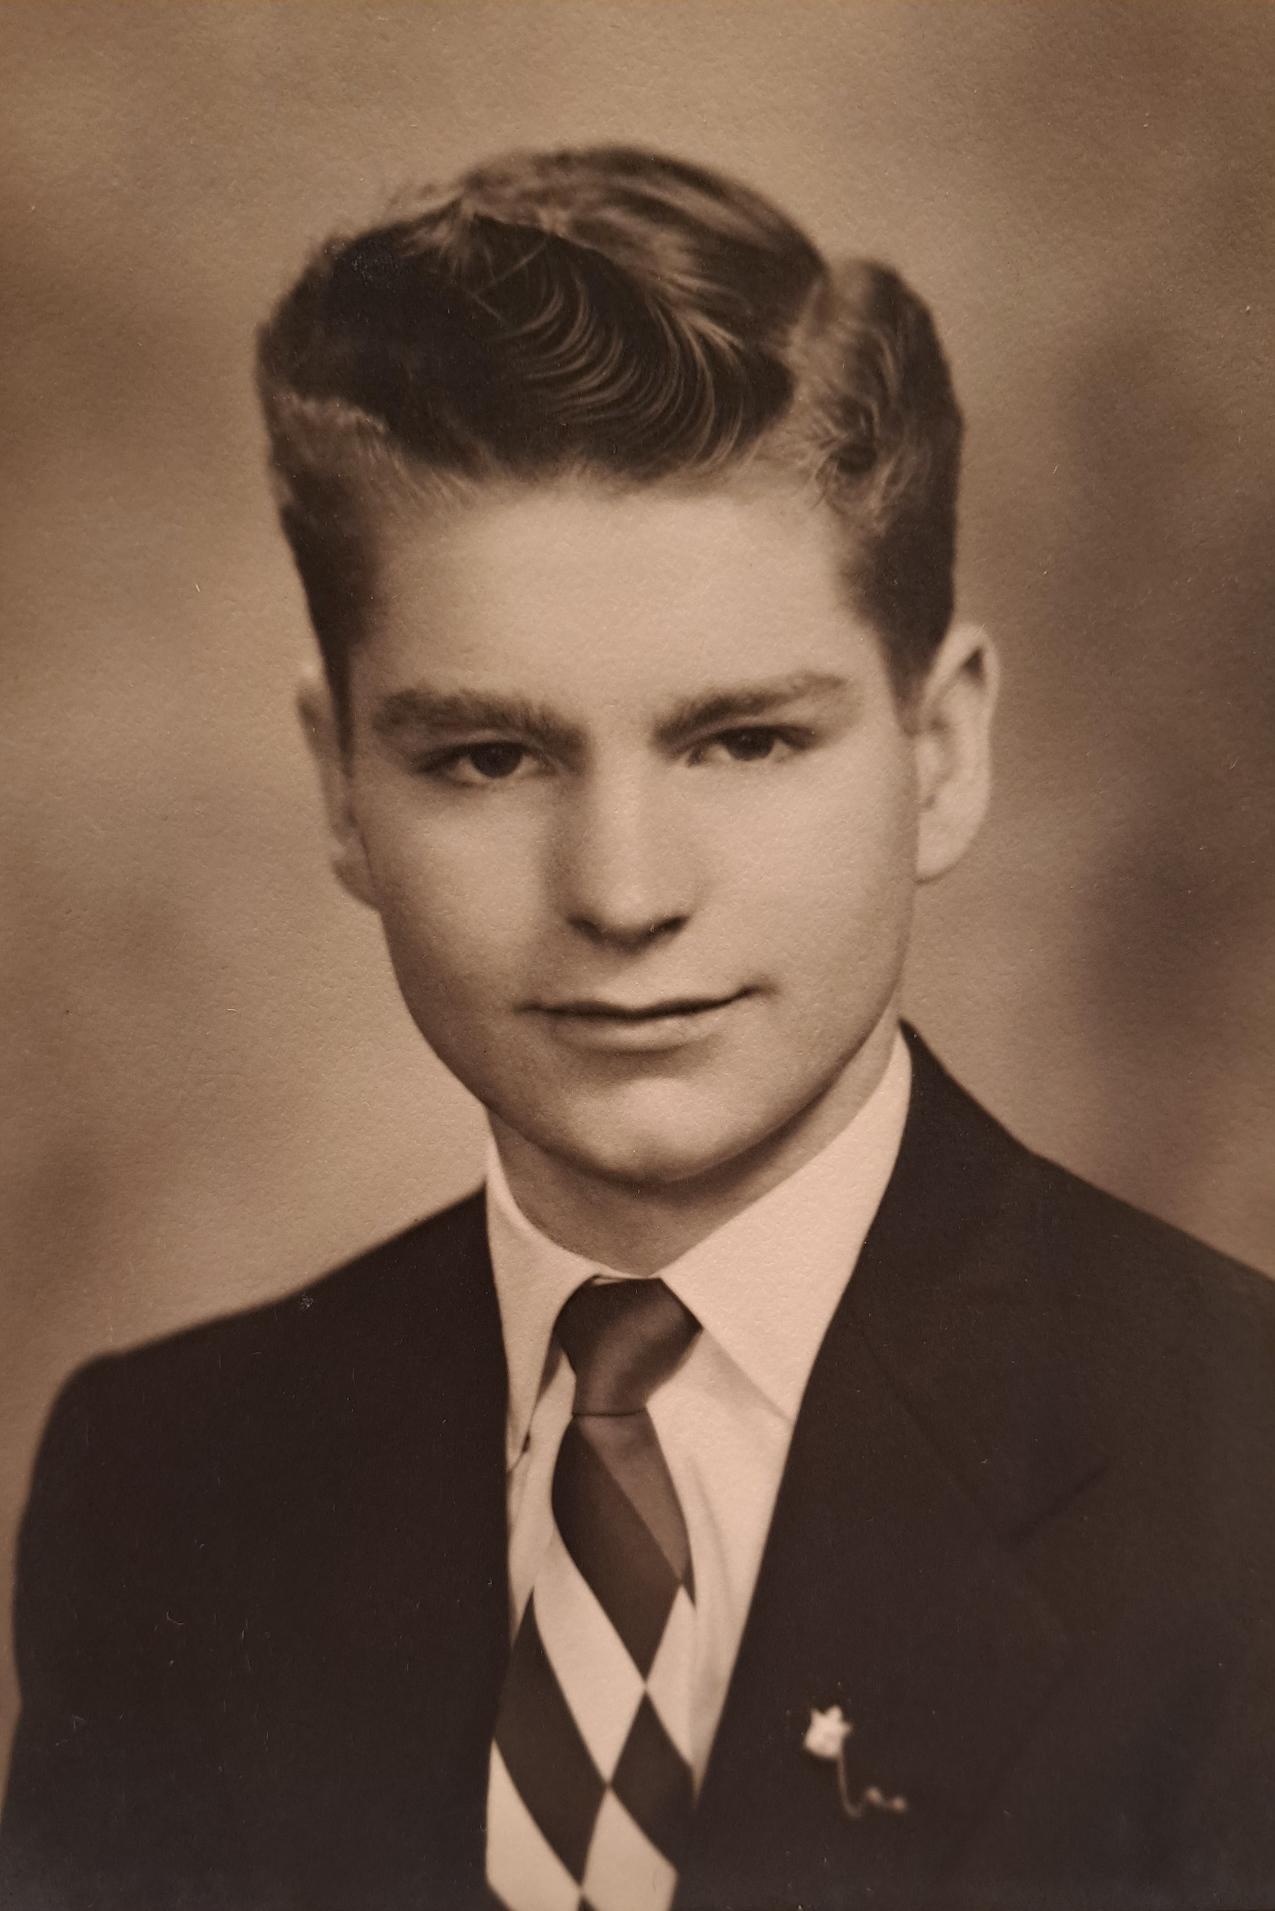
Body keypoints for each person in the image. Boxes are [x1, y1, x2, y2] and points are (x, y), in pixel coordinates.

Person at [2, 145, 1273, 1911]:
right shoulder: (168, 1481)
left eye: (743, 741)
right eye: (488, 758)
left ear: (942, 752)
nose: (620, 892)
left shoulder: (1237, 1476)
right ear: (343, 788)